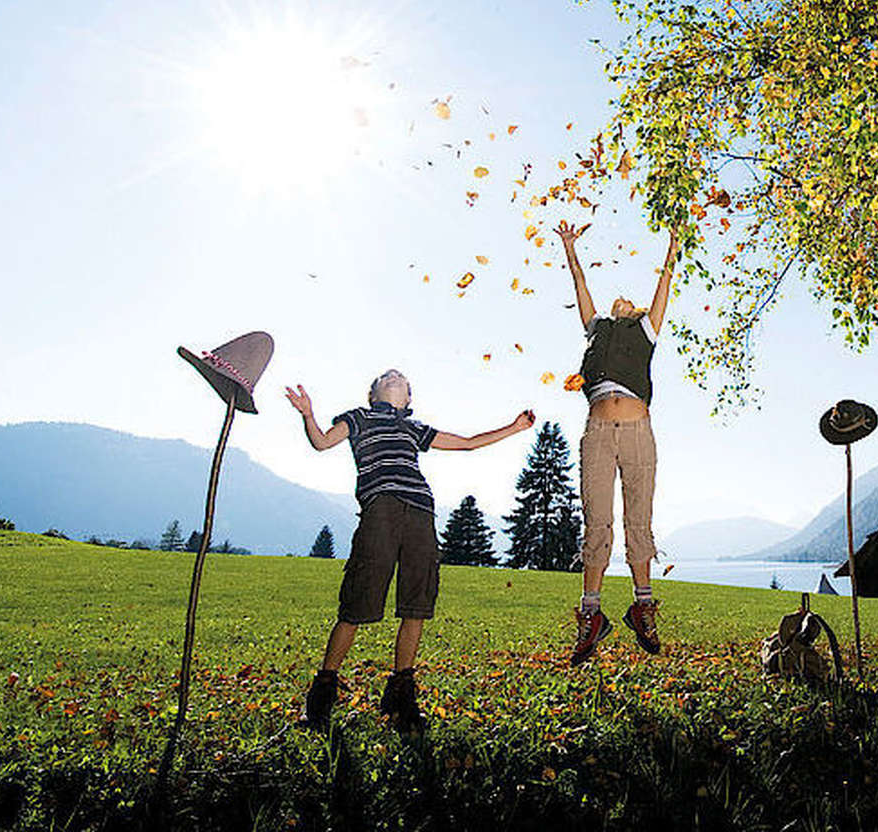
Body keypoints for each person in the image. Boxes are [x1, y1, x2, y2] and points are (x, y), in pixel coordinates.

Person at [285, 369, 534, 730]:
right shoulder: (360, 417)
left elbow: (466, 443)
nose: (393, 375)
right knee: (358, 602)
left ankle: (401, 698)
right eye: (386, 376)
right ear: (374, 394)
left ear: (408, 399)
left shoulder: (414, 428)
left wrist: (514, 428)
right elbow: (322, 442)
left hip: (420, 511)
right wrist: (309, 414)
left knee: (416, 604)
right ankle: (321, 699)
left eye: (399, 377)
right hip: (380, 509)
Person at [555, 220, 679, 665]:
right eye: (618, 299)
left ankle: (642, 606)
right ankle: (591, 617)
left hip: (638, 432)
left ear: (638, 310)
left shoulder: (645, 331)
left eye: (630, 299)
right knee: (597, 521)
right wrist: (570, 247)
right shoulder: (597, 329)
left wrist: (673, 244)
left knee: (638, 522)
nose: (621, 297)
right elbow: (580, 282)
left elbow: (666, 282)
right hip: (598, 434)